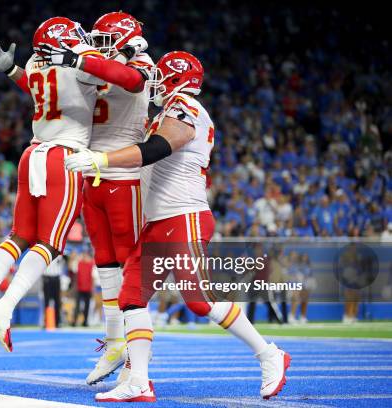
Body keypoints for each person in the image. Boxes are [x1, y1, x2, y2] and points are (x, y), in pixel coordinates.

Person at [65, 51, 290, 401]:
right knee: (131, 298)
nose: (153, 81)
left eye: (159, 75)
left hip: (183, 216)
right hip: (160, 222)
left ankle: (269, 353)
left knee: (199, 300)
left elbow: (156, 149)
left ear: (176, 79)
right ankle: (139, 380)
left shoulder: (186, 108)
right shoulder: (165, 112)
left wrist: (102, 159)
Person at [0, 16, 106, 351]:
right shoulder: (80, 62)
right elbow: (119, 80)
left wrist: (14, 72)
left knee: (19, 235)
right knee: (51, 243)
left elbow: (40, 85)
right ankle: (4, 305)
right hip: (65, 156)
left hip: (33, 154)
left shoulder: (36, 60)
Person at [76, 11, 153, 385]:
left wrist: (91, 59)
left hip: (124, 174)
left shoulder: (140, 62)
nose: (98, 46)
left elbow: (130, 80)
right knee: (104, 264)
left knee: (129, 267)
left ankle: (135, 363)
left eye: (106, 39)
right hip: (91, 174)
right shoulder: (98, 62)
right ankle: (114, 342)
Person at [72, 253, 95, 327]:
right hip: (79, 287)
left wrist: (92, 288)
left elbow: (93, 277)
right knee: (77, 306)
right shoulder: (78, 263)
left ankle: (85, 321)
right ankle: (75, 321)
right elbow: (72, 270)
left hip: (87, 288)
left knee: (87, 306)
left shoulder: (91, 264)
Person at [43, 255, 65, 328]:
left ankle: (58, 322)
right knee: (46, 301)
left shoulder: (60, 253)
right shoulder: (45, 252)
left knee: (57, 301)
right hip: (47, 278)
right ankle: (46, 321)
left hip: (56, 278)